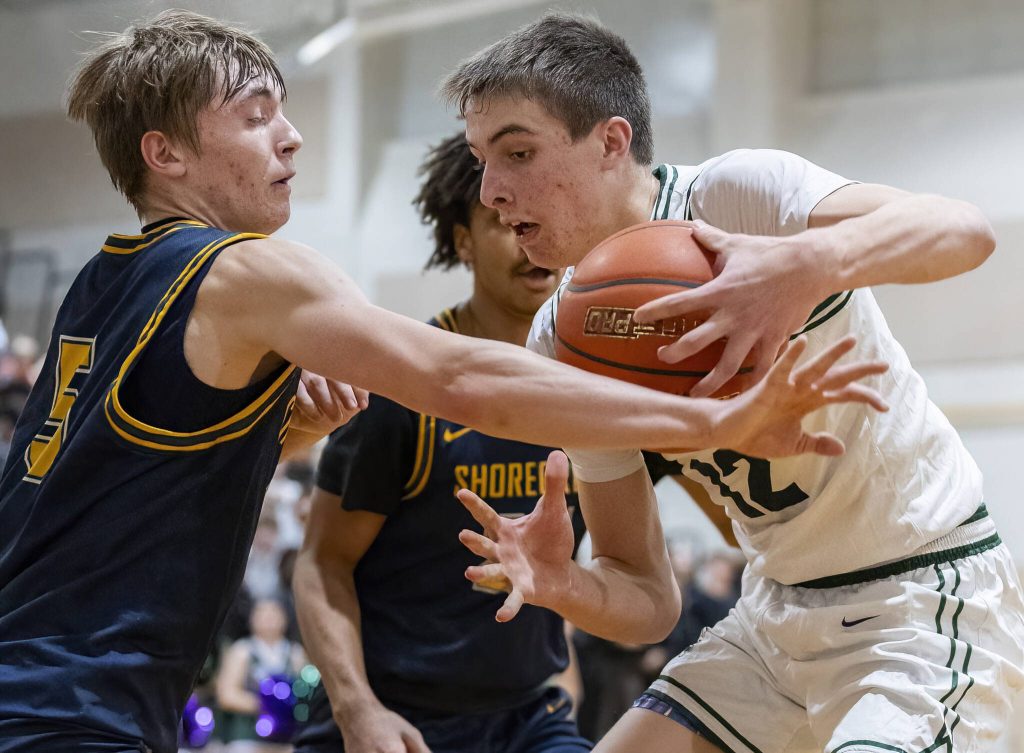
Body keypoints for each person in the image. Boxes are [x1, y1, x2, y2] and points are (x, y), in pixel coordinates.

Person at [0, 10, 885, 753]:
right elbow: (460, 377)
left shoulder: (101, 281)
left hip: (58, 686)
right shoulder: (245, 273)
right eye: (255, 113)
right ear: (168, 154)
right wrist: (717, 414)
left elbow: (128, 491)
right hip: (71, 705)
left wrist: (286, 432)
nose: (292, 134)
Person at [442, 12, 1024, 753]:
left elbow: (963, 229)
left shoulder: (737, 199)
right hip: (771, 621)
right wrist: (569, 586)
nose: (490, 190)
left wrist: (807, 261)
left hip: (920, 603)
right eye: (480, 159)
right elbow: (647, 597)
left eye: (517, 152)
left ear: (612, 143)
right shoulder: (562, 340)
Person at [216, 598, 306, 753]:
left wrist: (289, 706)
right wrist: (270, 704)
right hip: (247, 737)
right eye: (263, 614)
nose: (269, 619)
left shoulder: (295, 653)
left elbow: (306, 694)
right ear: (252, 619)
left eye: (274, 613)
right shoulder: (242, 651)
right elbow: (226, 695)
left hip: (288, 739)